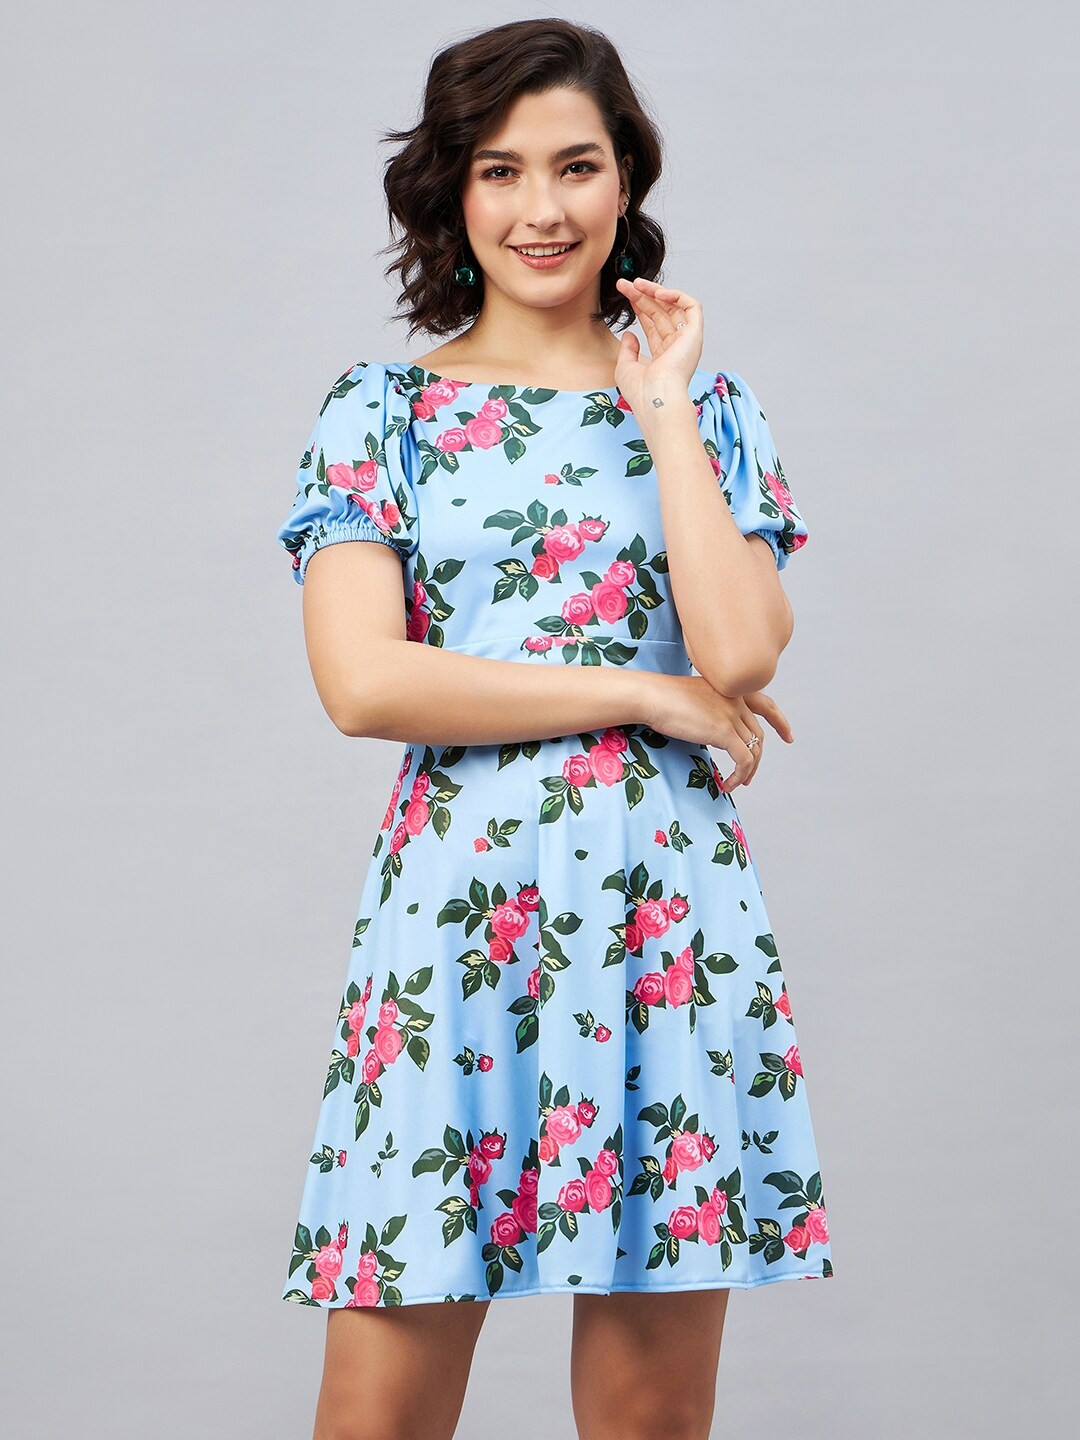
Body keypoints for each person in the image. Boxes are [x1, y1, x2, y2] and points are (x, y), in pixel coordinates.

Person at [275, 17, 833, 1440]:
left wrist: (664, 412)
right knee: (379, 1413)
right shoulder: (382, 413)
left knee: (651, 1417)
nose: (543, 209)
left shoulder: (709, 409)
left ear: (626, 177)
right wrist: (642, 691)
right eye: (501, 170)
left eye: (577, 166)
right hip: (458, 928)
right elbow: (365, 684)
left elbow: (742, 650)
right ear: (454, 192)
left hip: (666, 923)